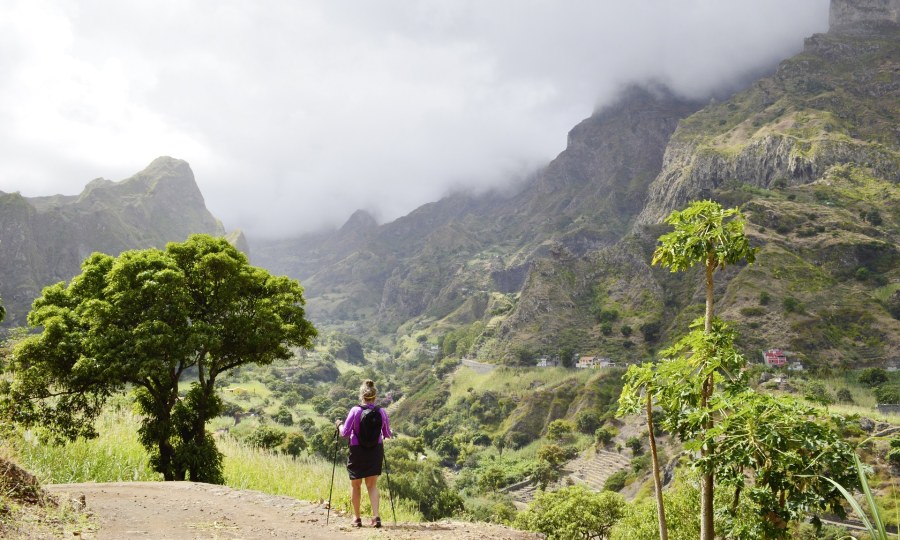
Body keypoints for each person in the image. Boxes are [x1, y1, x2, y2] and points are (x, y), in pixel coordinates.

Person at [336, 379, 392, 528]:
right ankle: (376, 518)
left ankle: (356, 518)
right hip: (375, 451)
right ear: (375, 396)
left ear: (362, 395)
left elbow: (345, 433)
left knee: (356, 485)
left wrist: (339, 425)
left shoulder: (355, 411)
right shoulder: (381, 411)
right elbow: (387, 433)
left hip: (357, 450)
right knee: (372, 485)